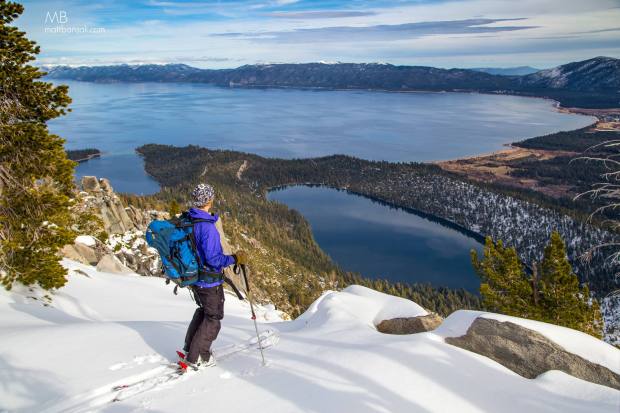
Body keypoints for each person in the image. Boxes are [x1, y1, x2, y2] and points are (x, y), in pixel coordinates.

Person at [182, 183, 248, 369]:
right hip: (208, 281)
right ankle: (198, 357)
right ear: (209, 200)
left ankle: (190, 349)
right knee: (213, 318)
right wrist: (234, 258)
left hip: (196, 278)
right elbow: (213, 259)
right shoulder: (206, 227)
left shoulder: (190, 219)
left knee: (204, 312)